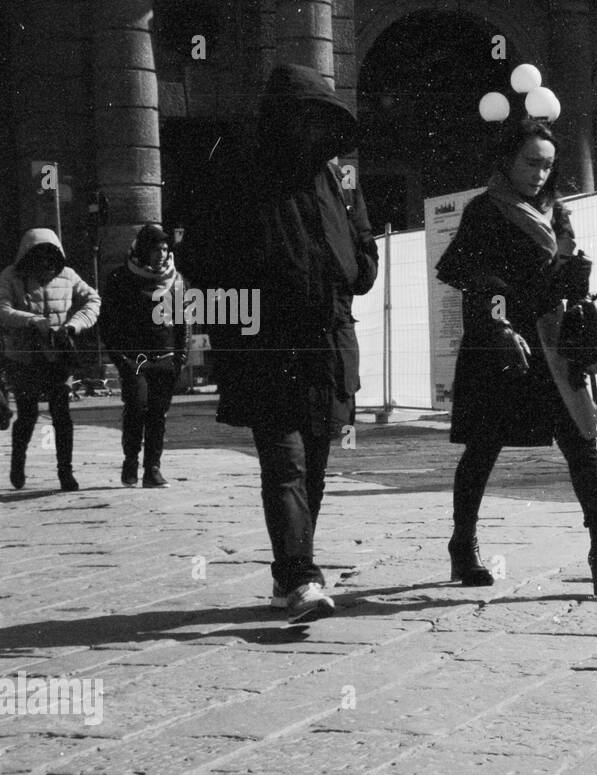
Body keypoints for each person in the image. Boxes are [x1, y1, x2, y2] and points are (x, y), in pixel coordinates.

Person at [177, 64, 378, 623]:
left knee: (313, 463)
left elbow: (364, 250)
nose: (314, 130)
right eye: (305, 118)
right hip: (266, 345)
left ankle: (289, 573)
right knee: (285, 463)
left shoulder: (339, 178)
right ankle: (299, 577)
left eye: (323, 119)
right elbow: (199, 256)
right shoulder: (236, 170)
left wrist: (357, 264)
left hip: (329, 344)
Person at [435, 118, 597, 596]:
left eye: (548, 165)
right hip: (503, 346)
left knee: (583, 442)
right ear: (507, 160)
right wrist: (500, 325)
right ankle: (463, 545)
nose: (541, 174)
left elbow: (564, 284)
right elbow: (475, 281)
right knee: (483, 447)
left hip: (555, 343)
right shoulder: (484, 211)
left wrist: (574, 271)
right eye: (532, 163)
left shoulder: (556, 212)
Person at [0, 228, 101, 490]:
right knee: (28, 414)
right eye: (39, 255)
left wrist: (74, 325)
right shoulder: (10, 277)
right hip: (24, 358)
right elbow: (2, 309)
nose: (45, 261)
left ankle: (65, 472)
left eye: (49, 255)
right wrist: (32, 321)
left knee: (62, 415)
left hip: (58, 355)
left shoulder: (67, 276)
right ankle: (18, 461)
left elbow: (93, 299)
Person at [100, 224, 187, 488]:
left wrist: (180, 357)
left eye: (164, 248)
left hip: (165, 358)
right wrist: (119, 360)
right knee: (137, 408)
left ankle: (153, 469)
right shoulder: (120, 278)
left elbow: (183, 321)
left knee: (158, 414)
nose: (161, 254)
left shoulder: (176, 280)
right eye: (155, 249)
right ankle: (130, 462)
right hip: (133, 360)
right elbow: (107, 324)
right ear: (142, 250)